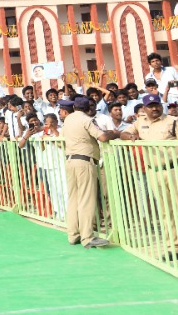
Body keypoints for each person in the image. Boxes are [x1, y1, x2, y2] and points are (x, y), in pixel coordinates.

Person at [121, 94, 178, 265]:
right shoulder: (140, 122)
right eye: (150, 106)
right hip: (154, 172)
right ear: (145, 108)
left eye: (157, 105)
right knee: (165, 212)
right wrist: (130, 137)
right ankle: (173, 248)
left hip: (175, 169)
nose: (154, 109)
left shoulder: (172, 121)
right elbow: (125, 132)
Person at [60, 97, 118, 248]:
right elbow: (103, 137)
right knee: (87, 199)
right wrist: (115, 134)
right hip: (84, 161)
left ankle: (73, 234)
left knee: (73, 198)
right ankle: (87, 236)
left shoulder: (68, 119)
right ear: (88, 109)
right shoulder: (86, 119)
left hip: (70, 160)